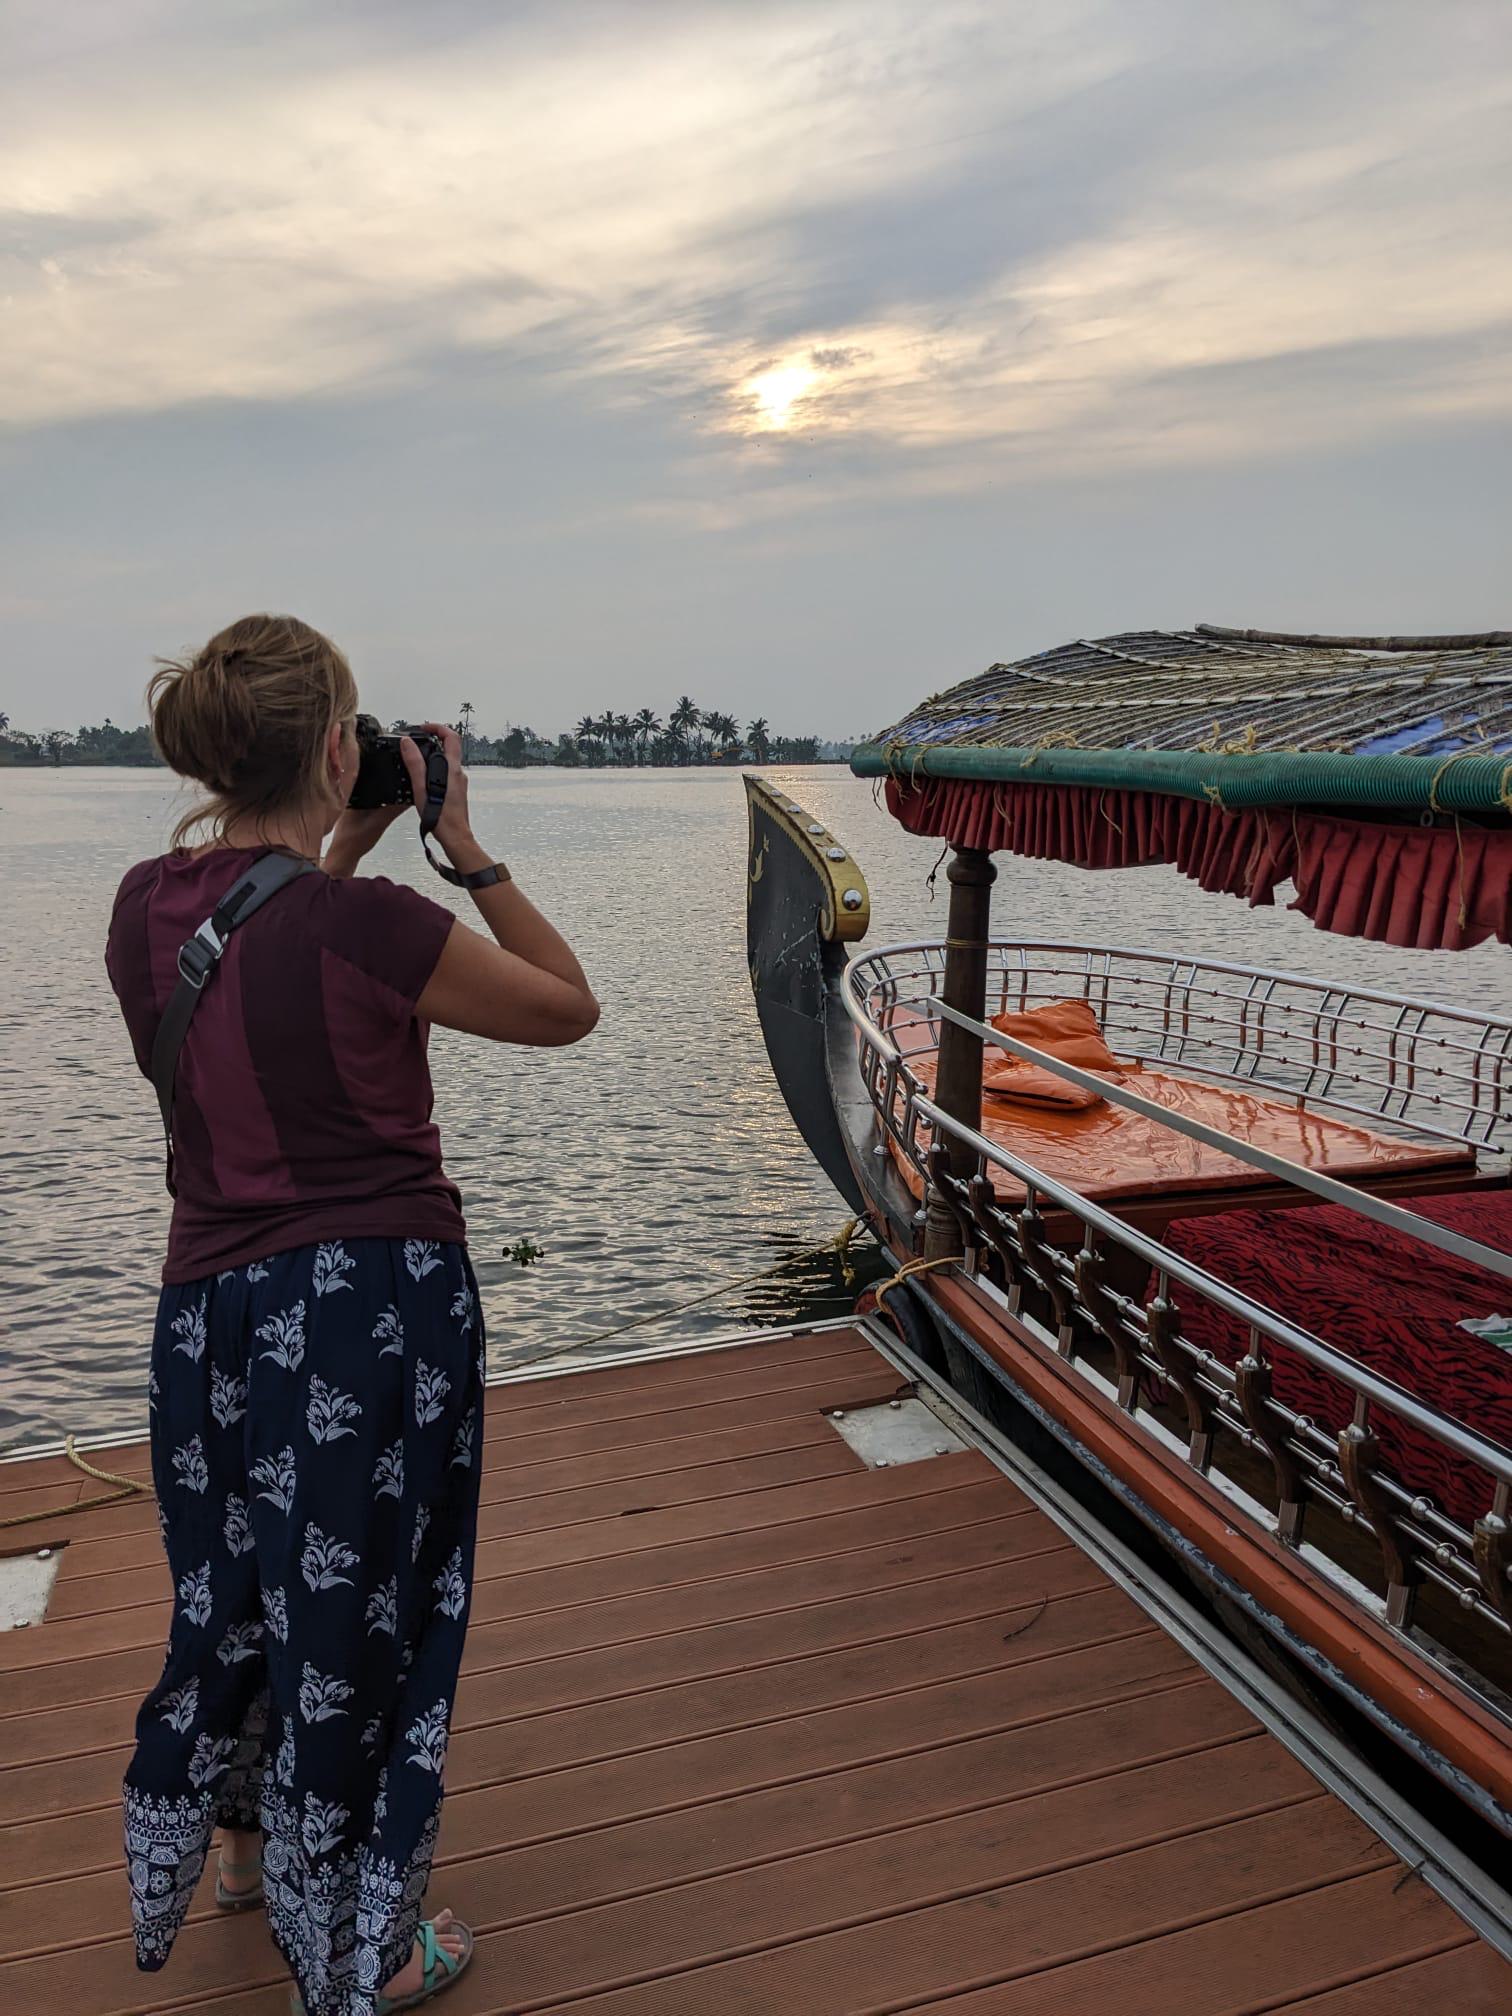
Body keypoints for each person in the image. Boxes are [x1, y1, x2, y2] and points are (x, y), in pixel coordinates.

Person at [105, 613, 598, 2015]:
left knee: (240, 1592)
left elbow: (259, 946)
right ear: (339, 747)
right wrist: (466, 849)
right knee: (368, 1617)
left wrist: (342, 846)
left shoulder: (146, 905)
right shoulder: (376, 926)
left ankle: (250, 1865)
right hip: (364, 1315)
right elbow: (568, 1007)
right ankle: (365, 1944)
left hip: (205, 1313)